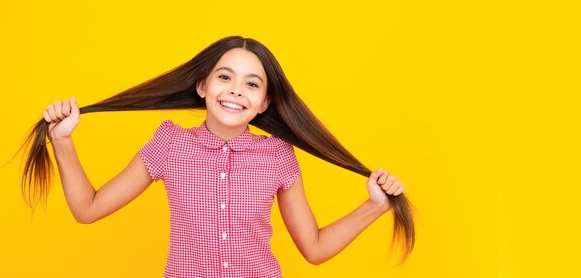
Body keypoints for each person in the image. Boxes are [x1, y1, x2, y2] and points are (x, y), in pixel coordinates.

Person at [22, 36, 414, 277]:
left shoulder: (279, 156)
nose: (236, 91)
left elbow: (314, 248)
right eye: (225, 77)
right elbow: (87, 208)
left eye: (252, 84)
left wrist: (374, 206)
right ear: (203, 85)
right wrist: (62, 140)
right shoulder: (169, 144)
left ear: (264, 103)